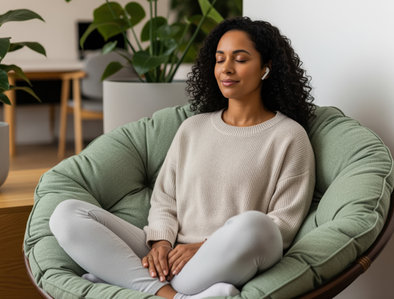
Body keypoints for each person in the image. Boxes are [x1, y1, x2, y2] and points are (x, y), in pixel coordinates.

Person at [49, 16, 316, 299]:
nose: (226, 68)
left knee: (257, 227)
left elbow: (282, 226)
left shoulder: (289, 136)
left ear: (266, 67)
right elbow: (164, 199)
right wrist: (161, 244)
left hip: (220, 257)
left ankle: (120, 279)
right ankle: (172, 295)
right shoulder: (193, 128)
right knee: (65, 214)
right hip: (170, 254)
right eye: (220, 59)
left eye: (240, 59)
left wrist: (201, 247)